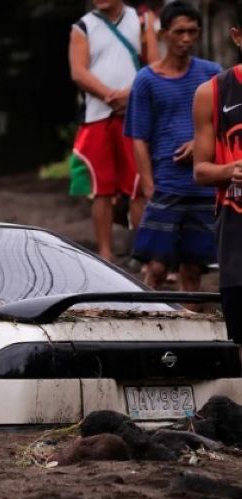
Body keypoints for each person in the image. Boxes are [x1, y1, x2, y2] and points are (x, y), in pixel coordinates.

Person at [125, 1, 221, 300]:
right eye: (179, 32)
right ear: (164, 34)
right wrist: (148, 185)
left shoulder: (212, 74)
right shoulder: (146, 80)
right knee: (155, 267)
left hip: (204, 185)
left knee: (193, 269)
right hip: (166, 184)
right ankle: (146, 321)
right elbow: (138, 137)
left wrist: (199, 144)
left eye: (192, 31)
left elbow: (226, 125)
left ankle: (192, 327)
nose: (186, 38)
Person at [69, 0, 158, 260]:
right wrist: (110, 95)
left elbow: (154, 64)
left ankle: (142, 255)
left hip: (135, 114)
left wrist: (131, 95)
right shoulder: (82, 26)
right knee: (101, 188)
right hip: (97, 115)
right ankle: (105, 254)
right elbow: (78, 72)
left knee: (138, 185)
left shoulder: (142, 20)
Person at [193, 4, 242, 347]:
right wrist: (230, 170)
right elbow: (200, 169)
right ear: (237, 37)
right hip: (236, 233)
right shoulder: (212, 92)